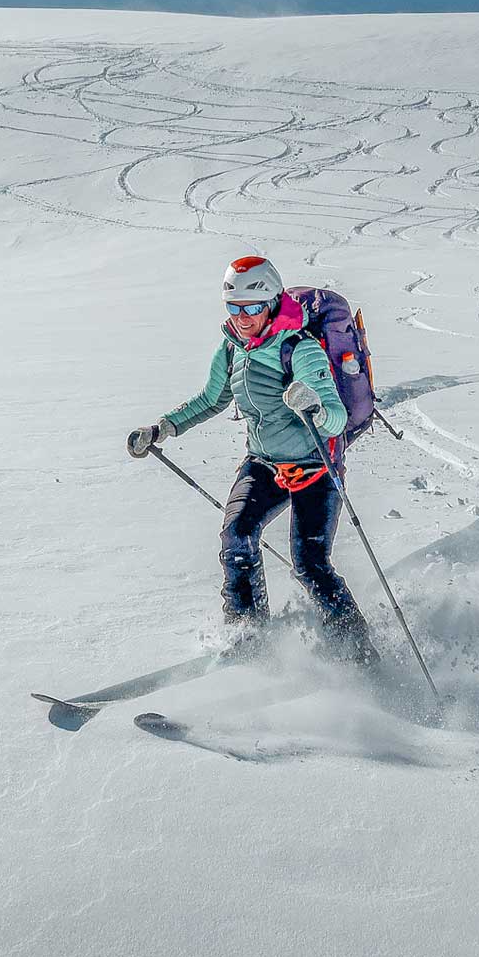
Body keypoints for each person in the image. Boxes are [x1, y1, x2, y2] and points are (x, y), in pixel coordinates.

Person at [127, 256, 379, 664]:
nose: (242, 318)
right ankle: (249, 635)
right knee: (237, 537)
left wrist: (312, 404)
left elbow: (334, 420)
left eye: (251, 307)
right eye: (233, 307)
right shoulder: (232, 350)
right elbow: (211, 400)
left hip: (316, 468)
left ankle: (356, 651)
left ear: (272, 303)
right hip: (264, 465)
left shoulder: (302, 349)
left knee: (311, 564)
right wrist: (162, 429)